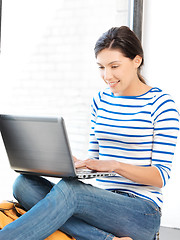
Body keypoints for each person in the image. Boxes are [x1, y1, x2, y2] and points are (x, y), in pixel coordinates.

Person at [0, 26, 179, 240]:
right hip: (101, 202)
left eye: (114, 66)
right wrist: (76, 164)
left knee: (71, 192)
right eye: (101, 67)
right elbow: (95, 158)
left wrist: (115, 165)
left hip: (141, 210)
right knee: (24, 184)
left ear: (137, 60)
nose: (107, 75)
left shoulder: (161, 105)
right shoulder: (101, 101)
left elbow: (160, 176)